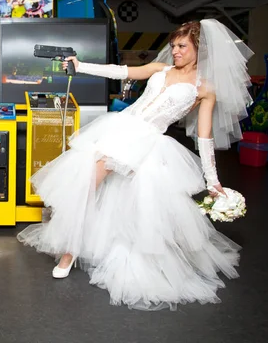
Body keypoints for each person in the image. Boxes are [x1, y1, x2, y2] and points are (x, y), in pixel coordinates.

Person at [17, 19, 254, 310]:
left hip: (149, 142)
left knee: (135, 205)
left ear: (199, 49)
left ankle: (93, 252)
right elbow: (122, 71)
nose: (175, 51)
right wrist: (80, 66)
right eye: (173, 46)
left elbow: (204, 138)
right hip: (120, 127)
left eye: (182, 46)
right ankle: (71, 250)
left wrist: (212, 180)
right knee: (87, 185)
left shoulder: (205, 89)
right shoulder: (161, 68)